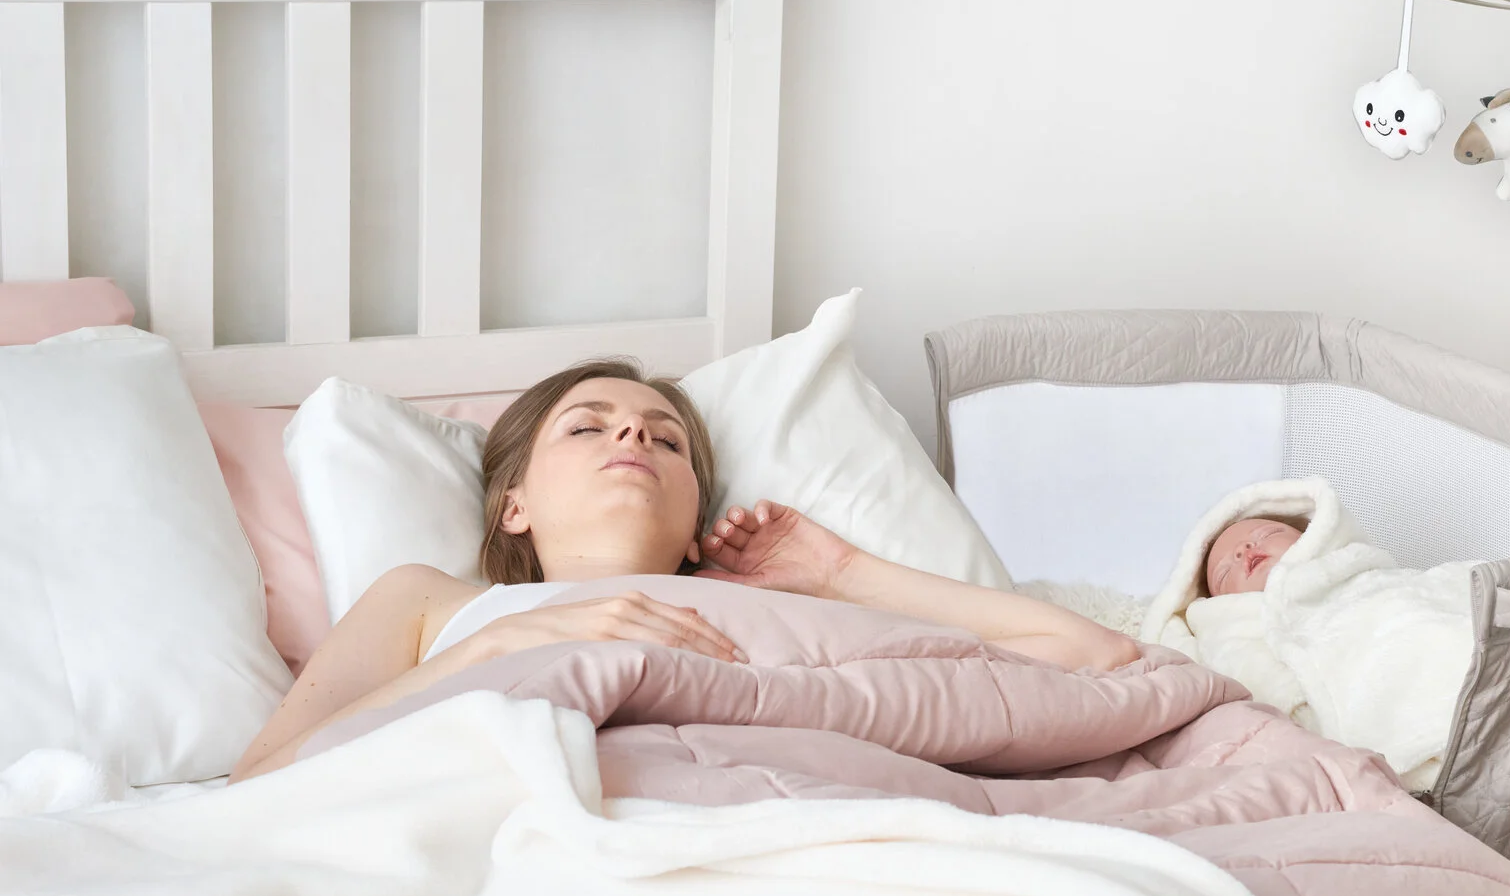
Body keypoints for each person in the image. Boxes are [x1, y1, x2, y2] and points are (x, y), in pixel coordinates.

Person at [231, 358, 1139, 781]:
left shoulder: (754, 607)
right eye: (588, 424)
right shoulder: (434, 602)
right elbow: (262, 781)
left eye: (667, 438)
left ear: (695, 509)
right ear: (515, 503)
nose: (633, 433)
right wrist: (506, 641)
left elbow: (1095, 661)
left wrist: (840, 570)